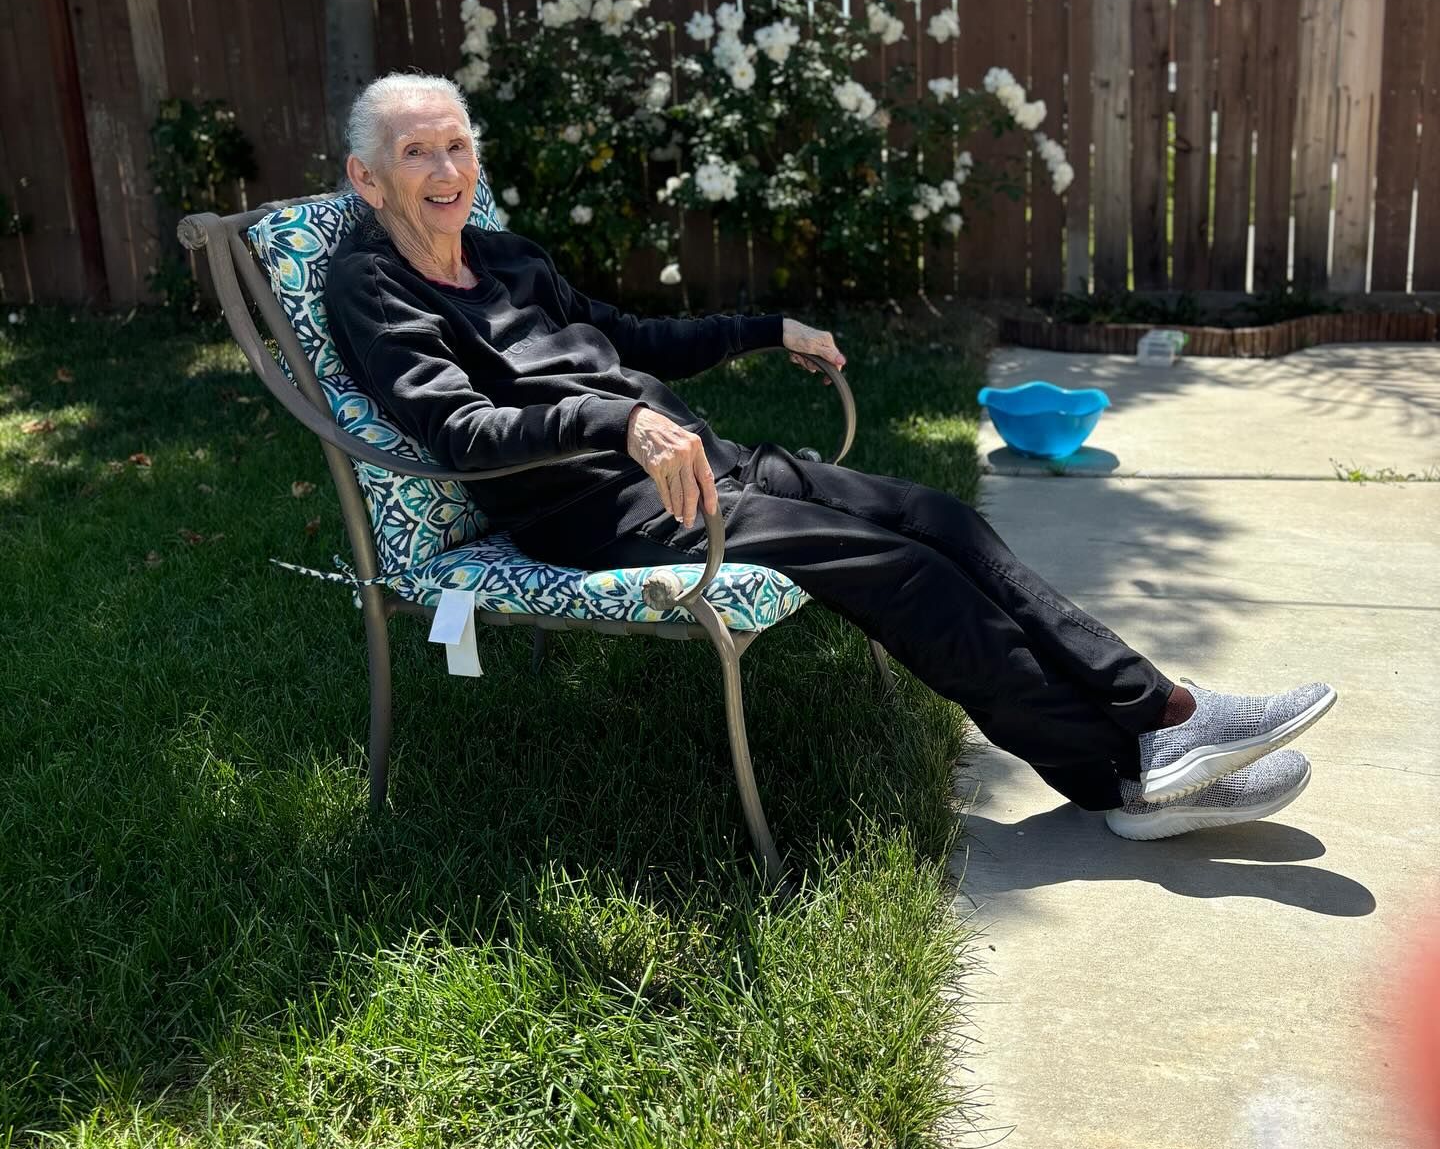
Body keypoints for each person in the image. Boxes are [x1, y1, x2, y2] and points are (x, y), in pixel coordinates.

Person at [324, 73, 1337, 840]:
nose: (448, 172)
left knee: (941, 522)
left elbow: (626, 336)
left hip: (699, 463)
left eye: (457, 146)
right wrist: (616, 427)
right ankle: (1127, 771)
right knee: (904, 575)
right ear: (368, 178)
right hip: (601, 511)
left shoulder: (502, 257)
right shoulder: (376, 289)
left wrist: (770, 327)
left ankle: (1162, 719)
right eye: (419, 154)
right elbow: (457, 431)